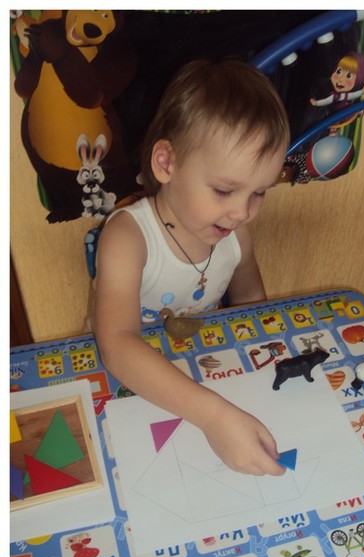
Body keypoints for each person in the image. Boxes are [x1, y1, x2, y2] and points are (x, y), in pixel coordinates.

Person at [93, 59, 290, 476]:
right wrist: (214, 417)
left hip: (207, 375)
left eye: (259, 193)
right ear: (166, 163)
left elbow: (252, 305)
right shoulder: (127, 238)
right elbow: (116, 345)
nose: (242, 212)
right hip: (128, 381)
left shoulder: (235, 233)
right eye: (224, 190)